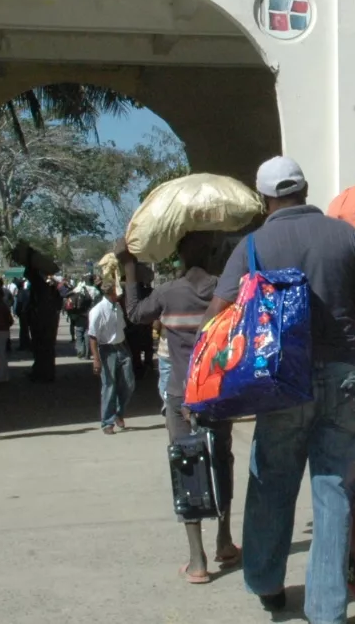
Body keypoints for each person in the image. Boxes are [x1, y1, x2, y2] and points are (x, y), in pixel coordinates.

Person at [199, 156, 355, 624]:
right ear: (305, 189)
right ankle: (327, 609)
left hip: (279, 383)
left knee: (273, 483)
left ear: (265, 197)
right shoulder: (348, 236)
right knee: (333, 489)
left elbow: (219, 313)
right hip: (343, 376)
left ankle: (267, 584)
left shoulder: (251, 245)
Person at [118, 232, 241, 583]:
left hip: (180, 396)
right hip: (218, 393)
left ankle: (197, 559)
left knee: (186, 466)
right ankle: (225, 539)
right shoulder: (226, 290)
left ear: (180, 257)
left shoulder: (169, 293)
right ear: (214, 253)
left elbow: (135, 313)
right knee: (222, 462)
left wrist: (129, 265)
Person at [88, 280, 135, 435]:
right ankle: (107, 421)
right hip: (106, 349)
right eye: (116, 292)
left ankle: (119, 413)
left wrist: (127, 349)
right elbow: (93, 336)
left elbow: (122, 329)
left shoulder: (117, 307)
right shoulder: (97, 311)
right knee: (109, 385)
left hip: (121, 346)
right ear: (110, 293)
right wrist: (96, 359)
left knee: (128, 383)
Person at [25, 267, 61, 383]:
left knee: (43, 348)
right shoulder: (42, 287)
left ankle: (43, 373)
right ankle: (44, 372)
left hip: (43, 322)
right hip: (46, 321)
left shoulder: (40, 288)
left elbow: (35, 305)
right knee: (45, 348)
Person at [67, 275, 100, 359]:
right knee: (88, 333)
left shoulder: (80, 288)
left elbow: (68, 294)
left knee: (79, 332)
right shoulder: (95, 290)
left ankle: (80, 350)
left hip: (80, 314)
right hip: (91, 315)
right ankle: (87, 354)